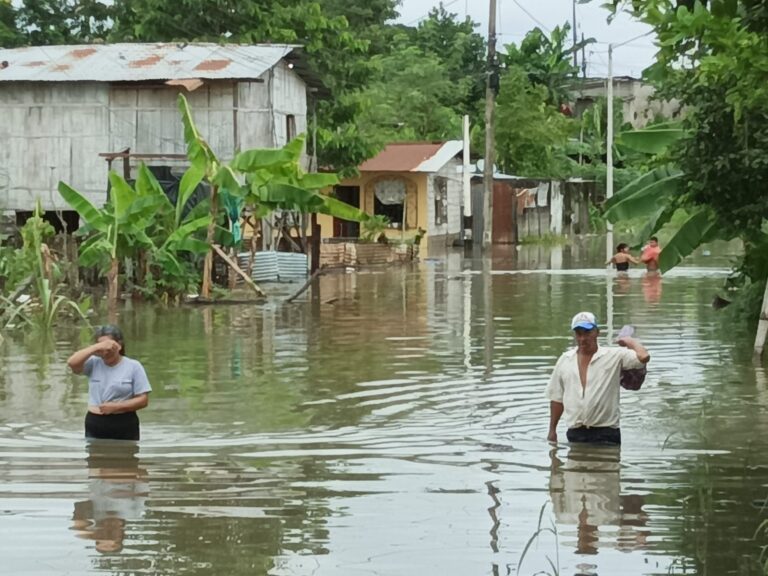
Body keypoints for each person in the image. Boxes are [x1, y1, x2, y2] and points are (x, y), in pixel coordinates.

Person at [546, 311, 650, 445]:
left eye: (587, 332)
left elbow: (644, 357)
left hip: (606, 433)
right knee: (574, 464)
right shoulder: (565, 360)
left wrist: (630, 342)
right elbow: (557, 398)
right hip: (575, 433)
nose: (583, 338)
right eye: (579, 333)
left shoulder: (614, 356)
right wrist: (552, 430)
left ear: (597, 332)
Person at [67, 325, 151, 441]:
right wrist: (95, 348)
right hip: (95, 422)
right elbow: (72, 363)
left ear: (119, 345)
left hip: (124, 422)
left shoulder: (133, 366)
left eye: (109, 348)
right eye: (101, 349)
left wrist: (116, 407)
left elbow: (143, 400)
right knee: (95, 457)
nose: (105, 352)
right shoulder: (93, 363)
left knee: (127, 457)